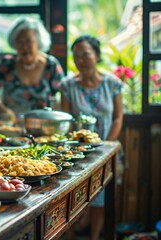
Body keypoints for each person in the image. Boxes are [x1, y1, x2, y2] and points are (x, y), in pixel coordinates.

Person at [59, 35, 123, 240]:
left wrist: (106, 145)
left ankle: (95, 237)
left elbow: (118, 118)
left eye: (85, 54)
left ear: (96, 56)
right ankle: (72, 235)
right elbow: (68, 122)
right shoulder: (68, 85)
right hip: (79, 153)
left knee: (102, 197)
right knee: (74, 197)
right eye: (76, 55)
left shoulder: (112, 83)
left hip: (106, 149)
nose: (81, 59)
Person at [0, 16, 64, 123]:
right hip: (12, 127)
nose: (24, 47)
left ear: (39, 41)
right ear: (14, 44)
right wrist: (4, 111)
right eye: (19, 42)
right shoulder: (7, 65)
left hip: (43, 128)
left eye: (28, 41)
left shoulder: (51, 65)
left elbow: (63, 97)